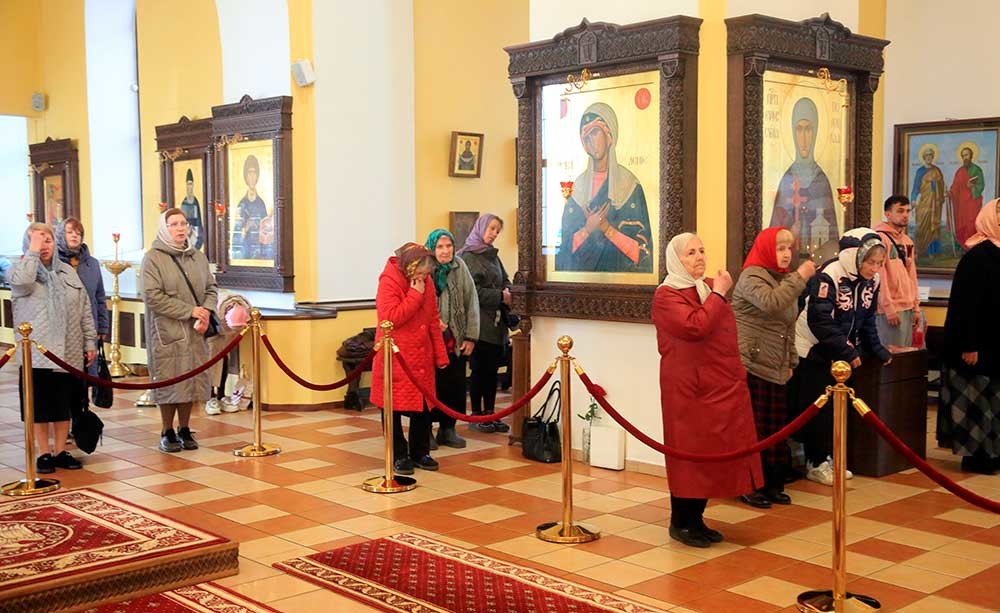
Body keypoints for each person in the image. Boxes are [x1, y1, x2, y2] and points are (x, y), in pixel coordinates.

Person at [653, 232, 763, 548]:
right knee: (689, 455)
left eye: (702, 250)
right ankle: (681, 523)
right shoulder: (667, 295)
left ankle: (697, 520)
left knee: (709, 456)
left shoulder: (703, 288)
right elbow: (695, 326)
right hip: (687, 391)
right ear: (676, 259)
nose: (699, 257)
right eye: (691, 253)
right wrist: (719, 294)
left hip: (717, 385)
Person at [791, 228, 892, 485]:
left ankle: (830, 456)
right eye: (870, 262)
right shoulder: (830, 275)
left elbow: (867, 319)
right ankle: (816, 461)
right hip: (813, 348)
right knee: (818, 407)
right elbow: (820, 320)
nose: (874, 268)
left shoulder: (873, 280)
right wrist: (847, 351)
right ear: (853, 256)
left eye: (879, 263)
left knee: (839, 407)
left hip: (840, 351)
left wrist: (876, 350)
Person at [732, 227, 815, 508]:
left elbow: (787, 325)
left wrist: (791, 360)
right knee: (752, 431)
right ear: (767, 248)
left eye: (789, 248)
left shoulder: (782, 278)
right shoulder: (751, 276)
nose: (786, 254)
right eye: (780, 248)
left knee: (774, 429)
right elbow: (771, 303)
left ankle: (770, 483)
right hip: (752, 365)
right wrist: (800, 276)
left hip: (776, 366)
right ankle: (748, 485)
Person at [9, 223, 96, 473]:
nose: (43, 245)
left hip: (67, 350)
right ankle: (43, 453)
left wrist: (89, 341)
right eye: (36, 240)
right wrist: (32, 254)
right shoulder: (20, 271)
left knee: (63, 404)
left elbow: (84, 309)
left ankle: (60, 450)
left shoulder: (67, 272)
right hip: (37, 353)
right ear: (28, 245)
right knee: (40, 406)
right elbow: (23, 282)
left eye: (47, 240)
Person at [142, 208, 218, 453]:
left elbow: (211, 288)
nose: (180, 228)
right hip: (168, 332)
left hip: (196, 331)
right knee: (169, 382)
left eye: (183, 223)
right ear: (165, 228)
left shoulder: (197, 257)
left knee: (191, 382)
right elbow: (153, 297)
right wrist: (189, 311)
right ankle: (167, 430)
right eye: (174, 224)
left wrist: (205, 311)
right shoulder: (153, 258)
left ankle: (185, 428)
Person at [370, 242, 449, 474]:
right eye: (420, 272)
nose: (424, 277)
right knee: (391, 406)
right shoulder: (390, 280)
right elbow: (390, 318)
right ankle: (398, 455)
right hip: (395, 355)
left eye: (427, 273)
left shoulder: (427, 282)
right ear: (410, 266)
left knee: (423, 407)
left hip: (421, 355)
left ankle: (420, 451)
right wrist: (415, 294)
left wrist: (440, 353)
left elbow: (433, 318)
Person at [938, 199, 1000, 474]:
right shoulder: (977, 256)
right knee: (976, 402)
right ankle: (977, 457)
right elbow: (966, 306)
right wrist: (969, 345)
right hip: (975, 346)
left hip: (997, 345)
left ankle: (995, 453)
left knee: (995, 403)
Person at [556, 102, 652, 273]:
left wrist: (607, 229)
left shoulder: (629, 185)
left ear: (609, 135)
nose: (590, 141)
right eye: (585, 137)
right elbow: (564, 252)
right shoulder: (577, 188)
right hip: (581, 282)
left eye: (594, 132)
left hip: (621, 282)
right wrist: (587, 229)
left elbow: (643, 253)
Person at [425, 229, 479, 449]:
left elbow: (471, 301)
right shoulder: (424, 267)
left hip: (454, 341)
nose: (445, 251)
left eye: (448, 246)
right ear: (432, 248)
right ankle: (425, 431)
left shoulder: (460, 266)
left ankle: (448, 429)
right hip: (429, 343)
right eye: (439, 247)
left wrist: (471, 336)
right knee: (431, 387)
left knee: (454, 386)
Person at [460, 214, 512, 433]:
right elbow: (473, 292)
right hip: (479, 325)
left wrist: (509, 291)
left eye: (497, 231)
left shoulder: (493, 256)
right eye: (491, 229)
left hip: (496, 324)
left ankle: (491, 413)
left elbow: (505, 278)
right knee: (480, 371)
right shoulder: (469, 256)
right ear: (481, 228)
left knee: (492, 371)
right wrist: (501, 296)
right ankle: (478, 414)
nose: (494, 234)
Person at [55, 218, 109, 421]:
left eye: (78, 232)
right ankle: (64, 419)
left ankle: (80, 418)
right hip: (64, 329)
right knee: (65, 376)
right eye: (70, 232)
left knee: (85, 377)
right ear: (61, 235)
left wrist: (102, 326)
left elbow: (100, 297)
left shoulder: (92, 264)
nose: (75, 236)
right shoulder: (54, 263)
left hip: (88, 328)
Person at [770, 97, 839, 257]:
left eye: (808, 129)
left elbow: (832, 232)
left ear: (815, 133)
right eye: (799, 129)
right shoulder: (787, 178)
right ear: (792, 132)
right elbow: (774, 229)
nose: (804, 138)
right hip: (790, 258)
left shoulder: (821, 180)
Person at [874, 196, 921, 348]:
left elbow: (911, 275)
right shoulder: (879, 238)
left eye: (908, 211)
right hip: (890, 308)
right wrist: (888, 308)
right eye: (900, 211)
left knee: (905, 357)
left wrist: (916, 307)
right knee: (891, 357)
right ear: (888, 214)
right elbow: (879, 275)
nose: (905, 215)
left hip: (907, 306)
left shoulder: (908, 241)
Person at [205, 292, 251, 415]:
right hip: (212, 333)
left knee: (225, 359)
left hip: (225, 336)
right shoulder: (216, 309)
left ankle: (221, 396)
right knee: (211, 363)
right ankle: (210, 397)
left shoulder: (243, 308)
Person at [910, 145, 946, 258]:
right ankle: (920, 250)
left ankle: (933, 252)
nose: (929, 157)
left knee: (934, 226)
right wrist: (913, 199)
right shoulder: (920, 171)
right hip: (924, 202)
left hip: (935, 204)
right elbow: (916, 187)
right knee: (922, 226)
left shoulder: (937, 170)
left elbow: (941, 185)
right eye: (927, 156)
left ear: (933, 157)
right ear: (924, 157)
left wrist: (939, 187)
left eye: (931, 155)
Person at [950, 146, 986, 249]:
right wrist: (950, 193)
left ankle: (972, 247)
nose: (965, 157)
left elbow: (981, 185)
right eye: (963, 156)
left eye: (966, 155)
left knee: (971, 225)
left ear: (971, 156)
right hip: (962, 205)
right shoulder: (959, 171)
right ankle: (963, 247)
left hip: (973, 204)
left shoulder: (977, 170)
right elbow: (955, 186)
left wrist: (972, 187)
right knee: (962, 226)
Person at [237, 155, 269, 260]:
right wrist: (246, 227)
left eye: (254, 173)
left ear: (257, 176)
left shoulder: (261, 204)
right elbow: (236, 237)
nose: (251, 176)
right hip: (245, 252)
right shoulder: (241, 204)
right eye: (249, 173)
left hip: (260, 252)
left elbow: (267, 231)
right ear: (245, 176)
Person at [180, 168, 204, 251]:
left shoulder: (196, 201)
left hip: (195, 230)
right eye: (188, 184)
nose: (189, 187)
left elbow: (199, 220)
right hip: (186, 230)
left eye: (191, 184)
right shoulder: (184, 201)